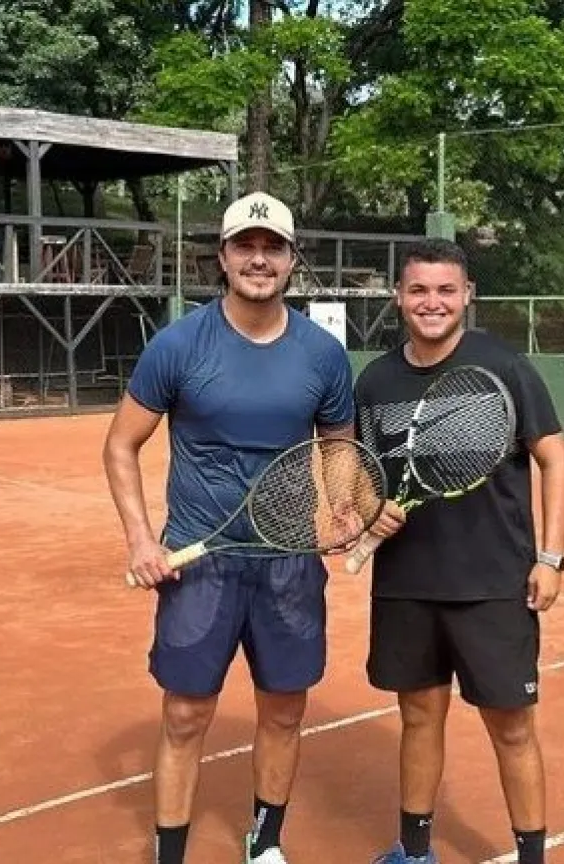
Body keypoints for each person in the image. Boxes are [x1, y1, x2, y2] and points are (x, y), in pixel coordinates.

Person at [102, 191, 357, 864]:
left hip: (288, 564)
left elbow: (337, 443)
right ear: (223, 256)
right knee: (185, 716)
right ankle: (170, 851)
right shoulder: (179, 344)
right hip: (199, 566)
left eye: (273, 247)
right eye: (246, 245)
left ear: (292, 260)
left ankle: (264, 842)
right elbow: (120, 444)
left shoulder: (322, 354)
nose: (259, 259)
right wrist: (139, 537)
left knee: (283, 710)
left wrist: (340, 504)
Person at [354, 238, 564, 864]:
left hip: (494, 585)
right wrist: (371, 507)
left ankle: (531, 857)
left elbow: (554, 459)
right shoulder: (376, 380)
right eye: (419, 290)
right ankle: (415, 852)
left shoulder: (503, 365)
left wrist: (550, 558)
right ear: (399, 296)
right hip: (406, 585)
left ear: (467, 296)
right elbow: (369, 470)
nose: (432, 303)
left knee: (511, 726)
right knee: (420, 718)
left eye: (446, 290)